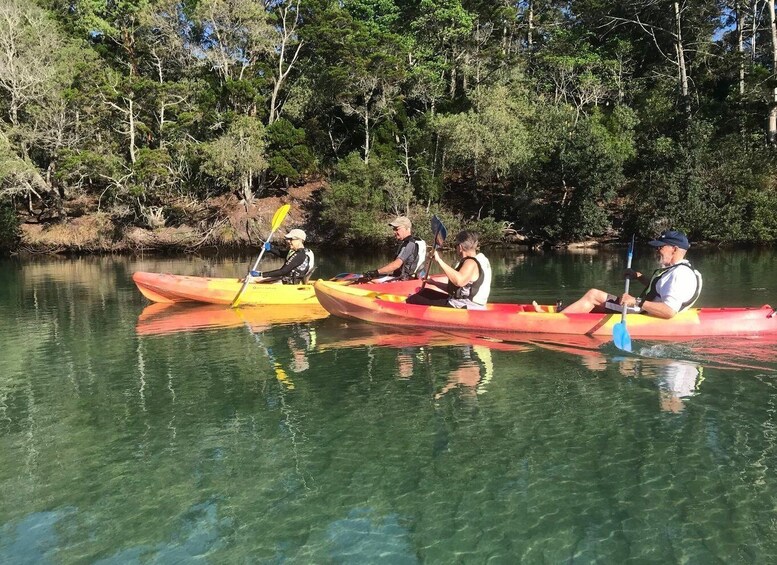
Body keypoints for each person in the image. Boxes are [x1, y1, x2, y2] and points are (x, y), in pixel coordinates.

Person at [551, 230, 702, 319]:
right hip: (643, 309)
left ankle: (556, 321)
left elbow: (669, 311)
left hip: (643, 313)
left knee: (593, 295)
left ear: (674, 249)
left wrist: (636, 301)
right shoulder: (677, 270)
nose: (657, 251)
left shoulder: (679, 274)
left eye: (660, 247)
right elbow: (660, 289)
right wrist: (639, 276)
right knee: (597, 302)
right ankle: (562, 313)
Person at [406, 230, 492, 310]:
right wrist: (434, 283)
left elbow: (459, 281)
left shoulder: (470, 263)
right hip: (464, 303)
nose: (456, 248)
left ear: (460, 247)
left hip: (464, 307)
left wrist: (439, 261)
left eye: (456, 245)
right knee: (425, 292)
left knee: (415, 298)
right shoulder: (480, 259)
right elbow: (456, 289)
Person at [362, 216, 426, 281]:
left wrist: (376, 272)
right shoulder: (416, 241)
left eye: (397, 229)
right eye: (394, 229)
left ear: (407, 228)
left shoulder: (408, 244)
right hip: (408, 278)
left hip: (402, 281)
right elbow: (432, 253)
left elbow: (396, 265)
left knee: (369, 280)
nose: (394, 232)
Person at [250, 228, 314, 284]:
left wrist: (261, 274)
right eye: (288, 239)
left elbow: (282, 271)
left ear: (300, 240)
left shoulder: (300, 255)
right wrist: (270, 248)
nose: (289, 241)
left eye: (291, 239)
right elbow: (282, 254)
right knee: (255, 278)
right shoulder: (296, 252)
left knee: (255, 279)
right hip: (285, 279)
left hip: (290, 284)